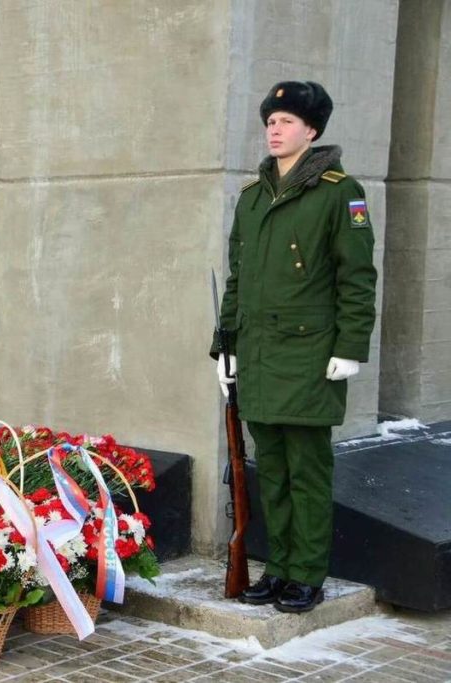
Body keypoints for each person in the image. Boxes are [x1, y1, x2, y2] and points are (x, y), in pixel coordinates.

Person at [211, 81, 377, 613]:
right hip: (258, 355)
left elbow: (358, 278)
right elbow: (237, 280)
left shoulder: (340, 192)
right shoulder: (252, 197)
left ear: (312, 130)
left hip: (310, 357)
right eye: (270, 121)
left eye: (286, 121)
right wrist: (225, 346)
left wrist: (350, 346)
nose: (274, 130)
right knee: (271, 470)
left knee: (307, 470)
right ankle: (278, 568)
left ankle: (306, 572)